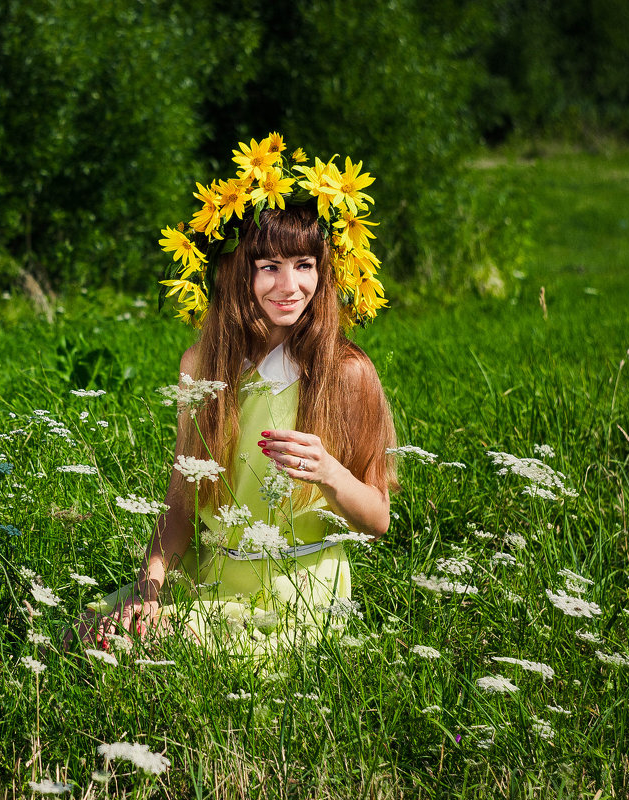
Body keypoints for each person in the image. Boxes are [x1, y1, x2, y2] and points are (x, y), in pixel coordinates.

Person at [71, 133, 398, 656]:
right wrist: (149, 587)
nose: (289, 286)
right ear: (235, 272)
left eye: (304, 265)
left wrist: (329, 472)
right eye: (269, 267)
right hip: (210, 574)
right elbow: (181, 506)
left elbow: (377, 519)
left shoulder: (347, 371)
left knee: (156, 649)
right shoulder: (203, 365)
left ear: (324, 269)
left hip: (296, 594)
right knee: (90, 638)